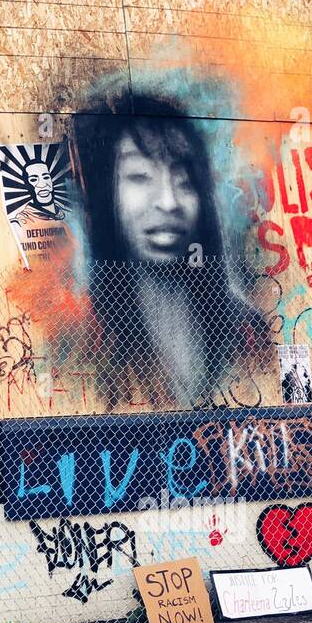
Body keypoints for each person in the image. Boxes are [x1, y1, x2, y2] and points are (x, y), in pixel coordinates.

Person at [70, 91, 268, 407]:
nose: (169, 202)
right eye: (139, 177)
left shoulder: (243, 330)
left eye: (185, 181)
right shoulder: (86, 339)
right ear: (106, 192)